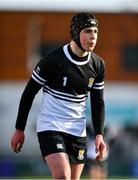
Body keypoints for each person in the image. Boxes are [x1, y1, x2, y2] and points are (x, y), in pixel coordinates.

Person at [11, 12, 107, 179]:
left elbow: (98, 102)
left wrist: (99, 134)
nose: (93, 37)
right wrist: (19, 129)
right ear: (76, 33)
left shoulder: (98, 65)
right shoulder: (53, 60)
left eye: (95, 32)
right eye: (87, 31)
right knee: (63, 176)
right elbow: (29, 93)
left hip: (78, 130)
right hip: (51, 126)